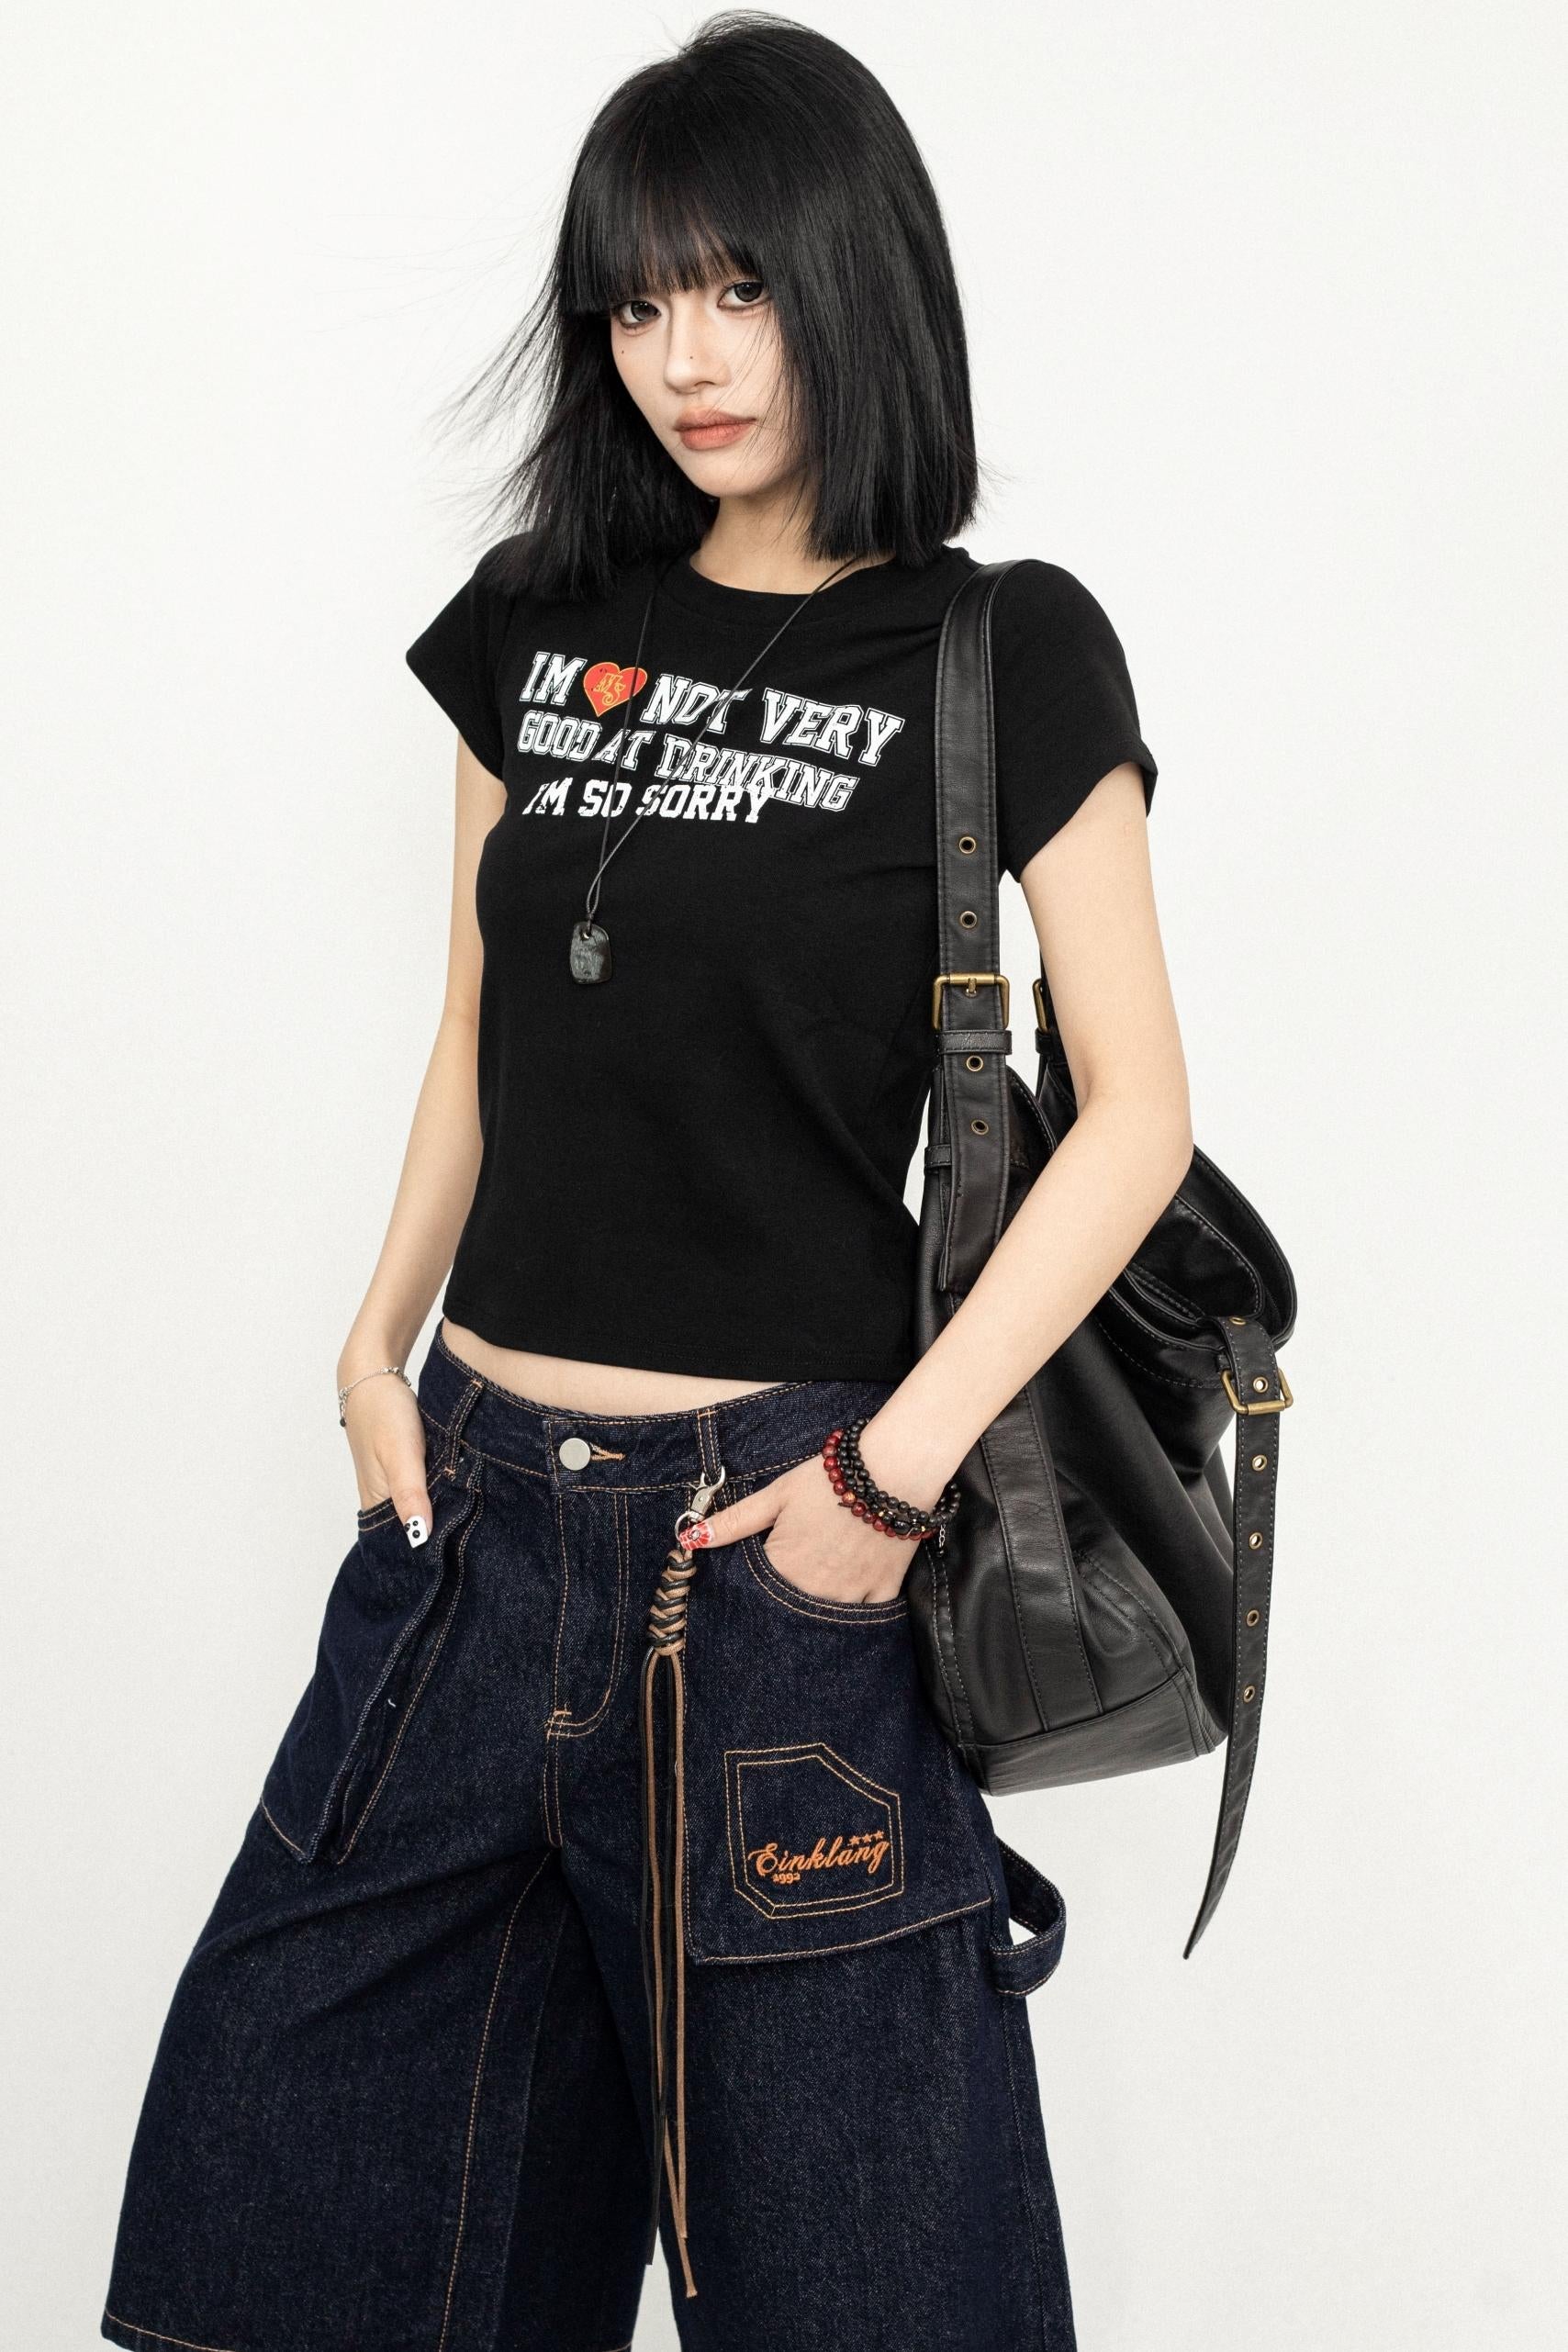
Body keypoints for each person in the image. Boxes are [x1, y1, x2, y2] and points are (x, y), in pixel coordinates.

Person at [101, 12, 1191, 2349]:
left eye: (739, 289)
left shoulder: (997, 647)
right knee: (299, 2244)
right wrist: (369, 1351)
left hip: (770, 1565)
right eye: (636, 301)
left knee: (866, 2295)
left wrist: (879, 1489)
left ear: (852, 280)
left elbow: (1134, 1118)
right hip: (467, 1532)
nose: (683, 358)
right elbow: (476, 1028)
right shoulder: (543, 614)